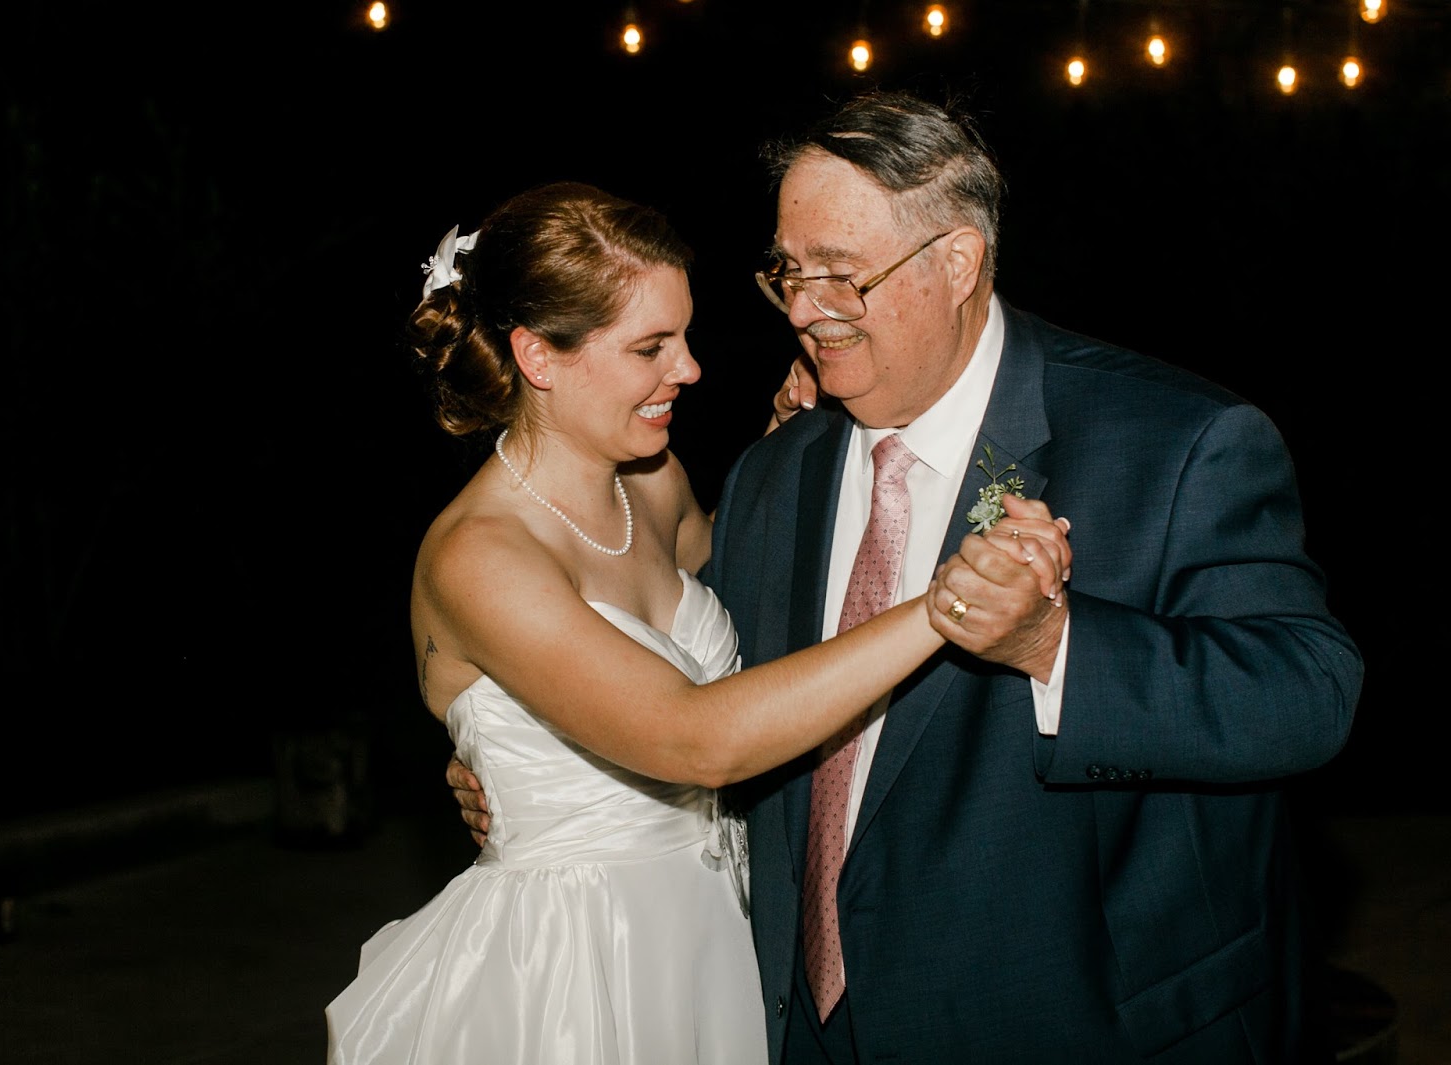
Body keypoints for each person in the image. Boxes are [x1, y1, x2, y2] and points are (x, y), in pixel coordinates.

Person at [449, 93, 1363, 1064]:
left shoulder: (1172, 440)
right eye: (788, 273)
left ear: (957, 262)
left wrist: (1054, 646)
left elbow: (1309, 696)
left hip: (1070, 1026)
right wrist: (532, 753)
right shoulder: (774, 471)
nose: (804, 311)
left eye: (841, 277)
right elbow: (714, 691)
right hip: (791, 1025)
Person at [324, 181, 1072, 1064]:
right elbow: (696, 736)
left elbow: (743, 600)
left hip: (720, 934)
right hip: (576, 966)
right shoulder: (478, 557)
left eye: (683, 336)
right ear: (538, 356)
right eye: (651, 347)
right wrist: (953, 603)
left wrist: (784, 449)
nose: (688, 368)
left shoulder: (651, 482)